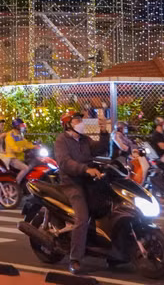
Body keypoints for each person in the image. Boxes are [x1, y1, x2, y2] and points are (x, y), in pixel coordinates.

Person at [54, 111, 102, 275]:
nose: (81, 122)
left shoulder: (84, 139)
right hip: (72, 183)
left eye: (81, 120)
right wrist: (85, 169)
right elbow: (65, 163)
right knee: (82, 218)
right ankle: (75, 259)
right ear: (68, 124)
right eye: (77, 120)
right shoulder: (62, 140)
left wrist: (105, 131)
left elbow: (99, 149)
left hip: (88, 180)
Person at [4, 117, 37, 184]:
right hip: (12, 158)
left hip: (20, 157)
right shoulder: (10, 136)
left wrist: (35, 146)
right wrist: (23, 149)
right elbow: (14, 148)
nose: (23, 127)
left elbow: (26, 143)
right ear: (17, 126)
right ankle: (16, 184)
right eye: (21, 125)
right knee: (25, 168)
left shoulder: (20, 135)